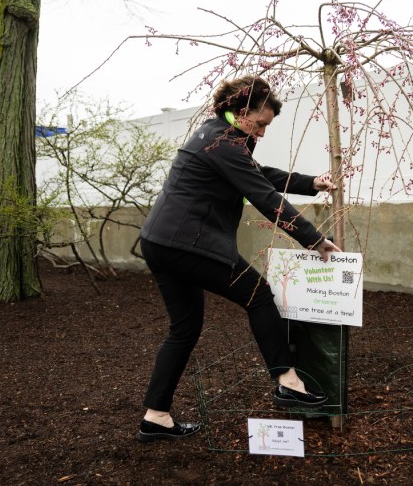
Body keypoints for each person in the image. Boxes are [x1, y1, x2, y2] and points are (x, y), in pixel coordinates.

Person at [136, 75, 341, 442]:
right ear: (241, 110)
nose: (262, 132)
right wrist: (314, 239)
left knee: (184, 329)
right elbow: (263, 195)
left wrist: (310, 183)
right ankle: (288, 381)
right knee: (258, 295)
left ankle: (156, 416)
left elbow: (256, 175)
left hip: (159, 241)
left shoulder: (217, 134)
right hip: (188, 243)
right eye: (260, 123)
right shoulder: (225, 143)